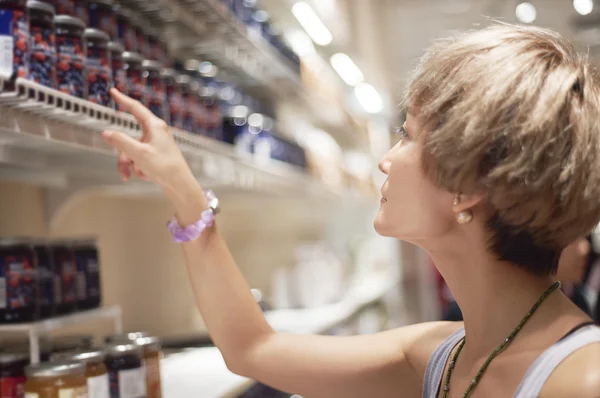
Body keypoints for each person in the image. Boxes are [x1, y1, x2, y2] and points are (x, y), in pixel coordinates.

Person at [102, 23, 600, 398]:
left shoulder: (583, 378)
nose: (386, 158)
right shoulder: (440, 355)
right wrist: (186, 192)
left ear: (466, 185)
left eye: (407, 135)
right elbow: (252, 349)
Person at [444, 236, 593, 321]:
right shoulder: (469, 312)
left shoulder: (579, 300)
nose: (585, 248)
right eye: (574, 239)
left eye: (586, 237)